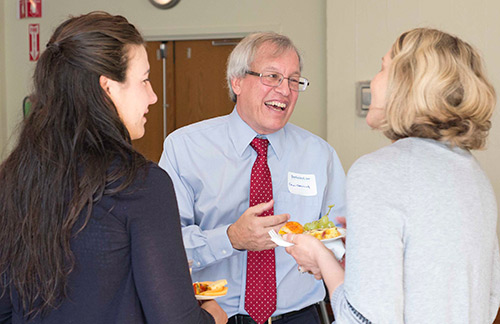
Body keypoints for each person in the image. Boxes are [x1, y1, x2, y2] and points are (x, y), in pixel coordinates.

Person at [0, 11, 227, 324]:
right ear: (107, 88)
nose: (153, 96)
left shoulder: (14, 176)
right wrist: (212, 317)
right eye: (145, 80)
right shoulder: (140, 184)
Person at [284, 27, 500, 323]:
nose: (373, 81)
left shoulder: (378, 171)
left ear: (406, 83)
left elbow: (362, 320)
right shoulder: (475, 177)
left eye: (382, 67)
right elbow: (482, 298)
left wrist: (321, 257)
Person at [158, 32, 346, 324]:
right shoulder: (185, 148)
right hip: (217, 317)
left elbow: (341, 232)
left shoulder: (320, 155)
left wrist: (325, 255)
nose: (285, 90)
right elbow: (163, 244)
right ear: (237, 81)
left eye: (294, 80)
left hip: (301, 316)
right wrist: (230, 238)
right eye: (272, 76)